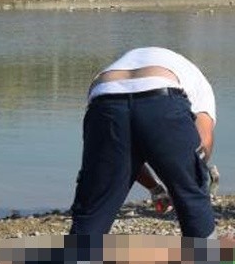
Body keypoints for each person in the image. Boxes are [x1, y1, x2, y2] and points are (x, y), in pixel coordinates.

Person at [69, 47, 216, 238]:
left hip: (104, 97)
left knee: (95, 205)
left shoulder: (121, 66)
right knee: (191, 196)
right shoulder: (198, 82)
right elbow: (203, 142)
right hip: (162, 98)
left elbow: (126, 156)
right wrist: (184, 178)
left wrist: (155, 188)